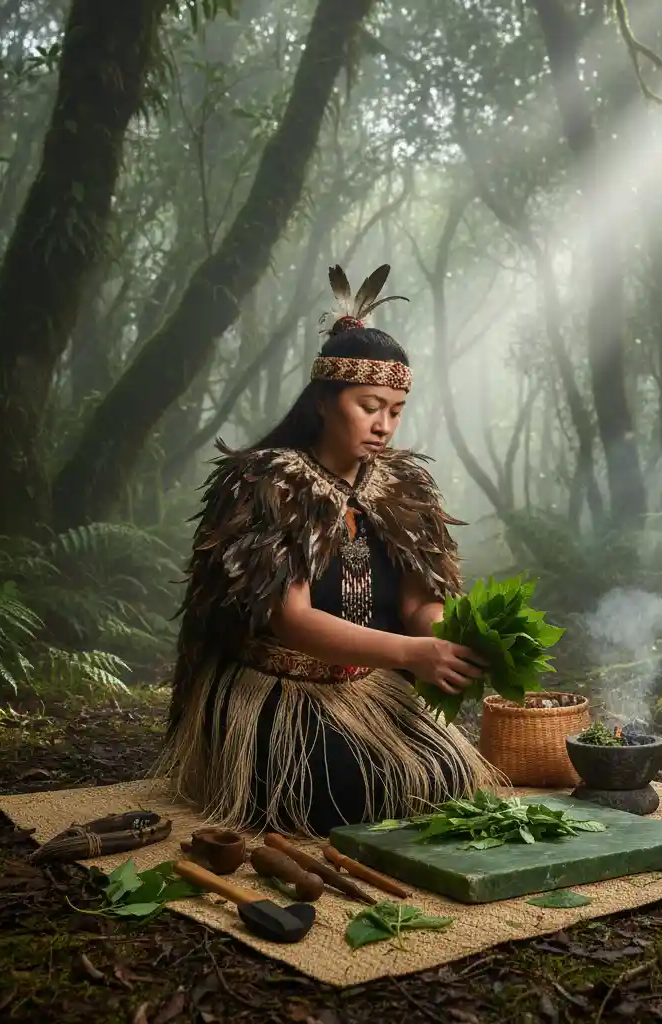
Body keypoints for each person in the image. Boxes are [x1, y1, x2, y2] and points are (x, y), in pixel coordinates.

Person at [156, 263, 504, 837]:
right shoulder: (266, 481)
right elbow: (288, 620)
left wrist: (445, 638)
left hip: (368, 685)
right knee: (353, 788)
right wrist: (412, 656)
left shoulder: (403, 486)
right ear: (323, 401)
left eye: (396, 411)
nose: (384, 425)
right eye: (369, 406)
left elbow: (420, 605)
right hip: (281, 687)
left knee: (445, 776)